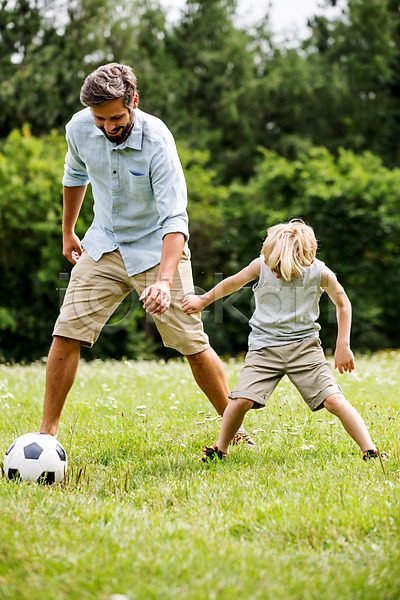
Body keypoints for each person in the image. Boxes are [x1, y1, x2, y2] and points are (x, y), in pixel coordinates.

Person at [39, 62, 253, 446]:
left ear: (134, 102)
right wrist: (69, 230)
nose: (108, 126)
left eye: (116, 117)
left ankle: (232, 430)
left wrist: (163, 281)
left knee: (191, 342)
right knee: (66, 330)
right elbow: (74, 175)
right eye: (100, 118)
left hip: (157, 249)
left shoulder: (157, 141)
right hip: (104, 243)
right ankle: (46, 434)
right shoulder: (79, 128)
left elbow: (175, 220)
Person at [182, 219, 384, 462]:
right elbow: (233, 282)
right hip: (263, 349)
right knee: (240, 400)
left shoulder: (319, 271)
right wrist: (203, 300)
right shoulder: (262, 265)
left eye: (281, 270)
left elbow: (343, 303)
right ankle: (220, 449)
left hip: (305, 349)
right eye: (273, 267)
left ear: (307, 261)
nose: (275, 273)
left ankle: (370, 450)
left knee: (334, 400)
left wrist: (343, 345)